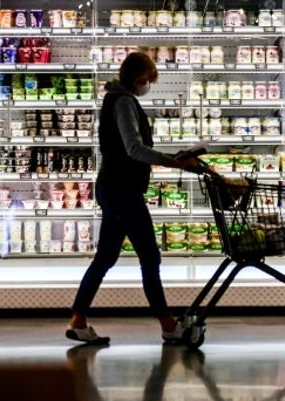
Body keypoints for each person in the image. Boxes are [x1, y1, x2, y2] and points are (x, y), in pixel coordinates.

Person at [67, 52, 206, 344]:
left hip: (113, 188)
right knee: (149, 256)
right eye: (146, 81)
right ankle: (169, 326)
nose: (147, 86)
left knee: (105, 257)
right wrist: (176, 162)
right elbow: (134, 148)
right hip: (123, 191)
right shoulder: (124, 102)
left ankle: (78, 320)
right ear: (136, 78)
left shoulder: (113, 99)